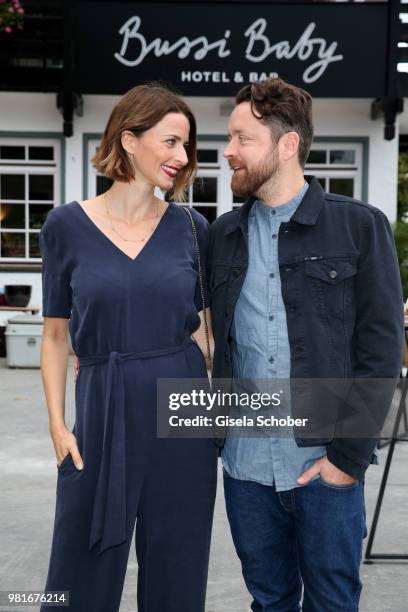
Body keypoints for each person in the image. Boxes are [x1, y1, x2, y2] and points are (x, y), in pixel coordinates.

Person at [207, 77, 404, 611]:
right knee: (268, 601)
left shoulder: (360, 227)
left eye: (243, 139)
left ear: (286, 144)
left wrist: (348, 459)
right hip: (246, 468)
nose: (228, 152)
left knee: (333, 603)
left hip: (325, 463)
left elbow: (381, 350)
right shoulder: (220, 236)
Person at [39, 82, 218, 612]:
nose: (181, 157)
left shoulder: (192, 227)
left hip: (182, 411)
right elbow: (54, 335)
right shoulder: (65, 226)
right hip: (102, 406)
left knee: (178, 568)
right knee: (76, 574)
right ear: (129, 138)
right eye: (169, 142)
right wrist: (56, 424)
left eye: (186, 146)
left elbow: (208, 334)